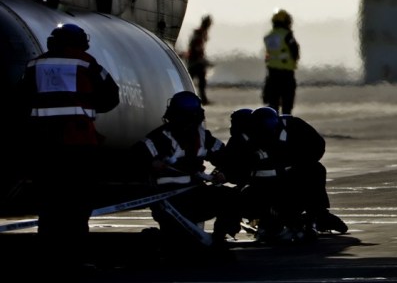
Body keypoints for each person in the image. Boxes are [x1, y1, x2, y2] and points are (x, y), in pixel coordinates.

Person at [16, 23, 120, 267]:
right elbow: (111, 96)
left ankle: (48, 256)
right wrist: (87, 109)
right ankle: (75, 257)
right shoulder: (86, 63)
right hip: (79, 144)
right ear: (81, 42)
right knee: (77, 204)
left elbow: (20, 98)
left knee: (49, 203)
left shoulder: (35, 65)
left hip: (44, 146)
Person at [223, 106, 348, 242]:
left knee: (315, 170)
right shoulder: (240, 140)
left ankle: (318, 214)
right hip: (261, 189)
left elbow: (317, 146)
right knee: (238, 200)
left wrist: (295, 163)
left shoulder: (293, 126)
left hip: (288, 184)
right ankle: (270, 219)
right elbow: (230, 169)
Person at [133, 91, 239, 251]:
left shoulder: (204, 138)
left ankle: (219, 238)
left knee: (231, 197)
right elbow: (133, 160)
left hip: (196, 194)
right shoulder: (157, 139)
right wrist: (152, 164)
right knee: (179, 246)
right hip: (169, 201)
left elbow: (227, 159)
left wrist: (224, 174)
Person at [263, 9, 300, 114]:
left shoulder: (269, 36)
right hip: (286, 72)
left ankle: (273, 120)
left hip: (272, 72)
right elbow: (294, 50)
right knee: (287, 102)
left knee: (273, 102)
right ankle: (285, 120)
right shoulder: (286, 35)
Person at [187, 15, 213, 105]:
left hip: (195, 60)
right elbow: (196, 48)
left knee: (196, 80)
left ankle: (201, 98)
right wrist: (201, 59)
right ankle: (200, 99)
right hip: (195, 61)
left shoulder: (201, 33)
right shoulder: (199, 33)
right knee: (194, 80)